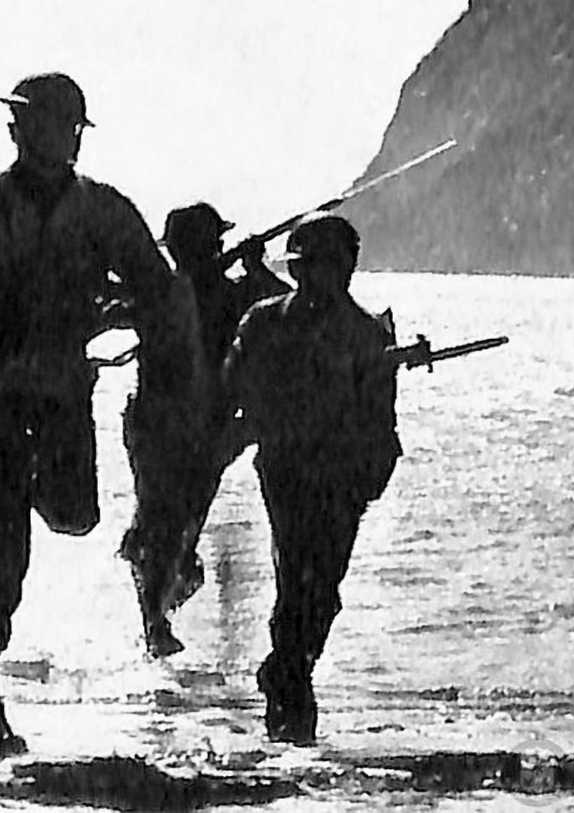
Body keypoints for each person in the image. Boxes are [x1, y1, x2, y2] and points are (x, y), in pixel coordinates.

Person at [0, 73, 208, 759]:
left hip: (63, 396)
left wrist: (123, 313)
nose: (48, 138)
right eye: (38, 125)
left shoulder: (104, 213)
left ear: (74, 134)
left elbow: (160, 291)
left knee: (75, 514)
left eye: (59, 126)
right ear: (19, 132)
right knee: (4, 517)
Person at [223, 212, 401, 744]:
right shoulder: (264, 322)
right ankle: (291, 683)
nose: (323, 276)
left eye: (333, 265)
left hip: (343, 479)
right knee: (295, 575)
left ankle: (287, 670)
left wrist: (368, 479)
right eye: (312, 265)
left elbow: (380, 418)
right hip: (287, 471)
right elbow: (235, 388)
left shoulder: (368, 334)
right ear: (298, 269)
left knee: (323, 588)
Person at [121, 203, 292, 657]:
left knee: (173, 523)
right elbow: (290, 306)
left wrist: (253, 266)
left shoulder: (182, 291)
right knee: (168, 522)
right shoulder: (172, 293)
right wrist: (254, 268)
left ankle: (157, 613)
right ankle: (156, 618)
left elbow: (288, 310)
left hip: (191, 429)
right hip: (176, 428)